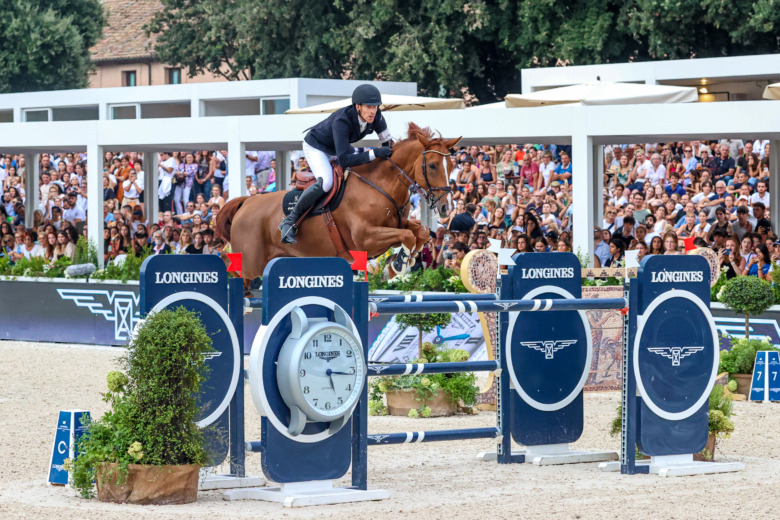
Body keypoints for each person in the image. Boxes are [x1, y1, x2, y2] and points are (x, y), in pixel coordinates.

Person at [279, 84, 393, 244]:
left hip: (338, 149)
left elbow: (388, 145)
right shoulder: (342, 120)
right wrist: (374, 153)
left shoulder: (377, 117)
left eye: (375, 107)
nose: (373, 111)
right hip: (317, 147)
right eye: (368, 107)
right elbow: (345, 159)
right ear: (358, 106)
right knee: (326, 182)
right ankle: (289, 221)